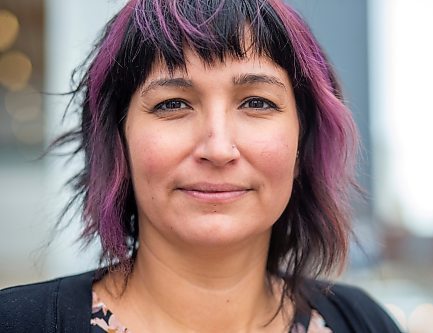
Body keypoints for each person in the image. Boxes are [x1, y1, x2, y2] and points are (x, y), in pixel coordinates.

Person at [0, 0, 401, 332]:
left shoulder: (365, 323)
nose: (218, 147)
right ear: (118, 144)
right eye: (172, 104)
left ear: (302, 143)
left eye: (257, 102)